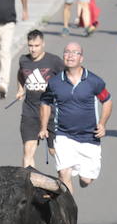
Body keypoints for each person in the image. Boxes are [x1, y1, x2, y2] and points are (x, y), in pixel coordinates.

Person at [38, 42, 112, 191]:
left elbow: (107, 101)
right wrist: (44, 127)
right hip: (64, 135)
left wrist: (103, 124)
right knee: (64, 174)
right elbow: (45, 102)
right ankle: (69, 213)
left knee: (85, 180)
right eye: (67, 52)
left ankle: (83, 175)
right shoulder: (54, 82)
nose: (70, 55)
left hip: (89, 137)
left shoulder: (94, 81)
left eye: (75, 52)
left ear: (81, 58)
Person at [15, 30, 64, 169]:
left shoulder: (54, 61)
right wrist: (20, 89)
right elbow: (20, 74)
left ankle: (65, 181)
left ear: (43, 44)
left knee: (54, 151)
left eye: (36, 45)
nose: (33, 49)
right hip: (30, 112)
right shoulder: (23, 60)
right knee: (28, 151)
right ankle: (29, 186)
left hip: (51, 112)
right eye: (30, 45)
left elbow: (67, 77)